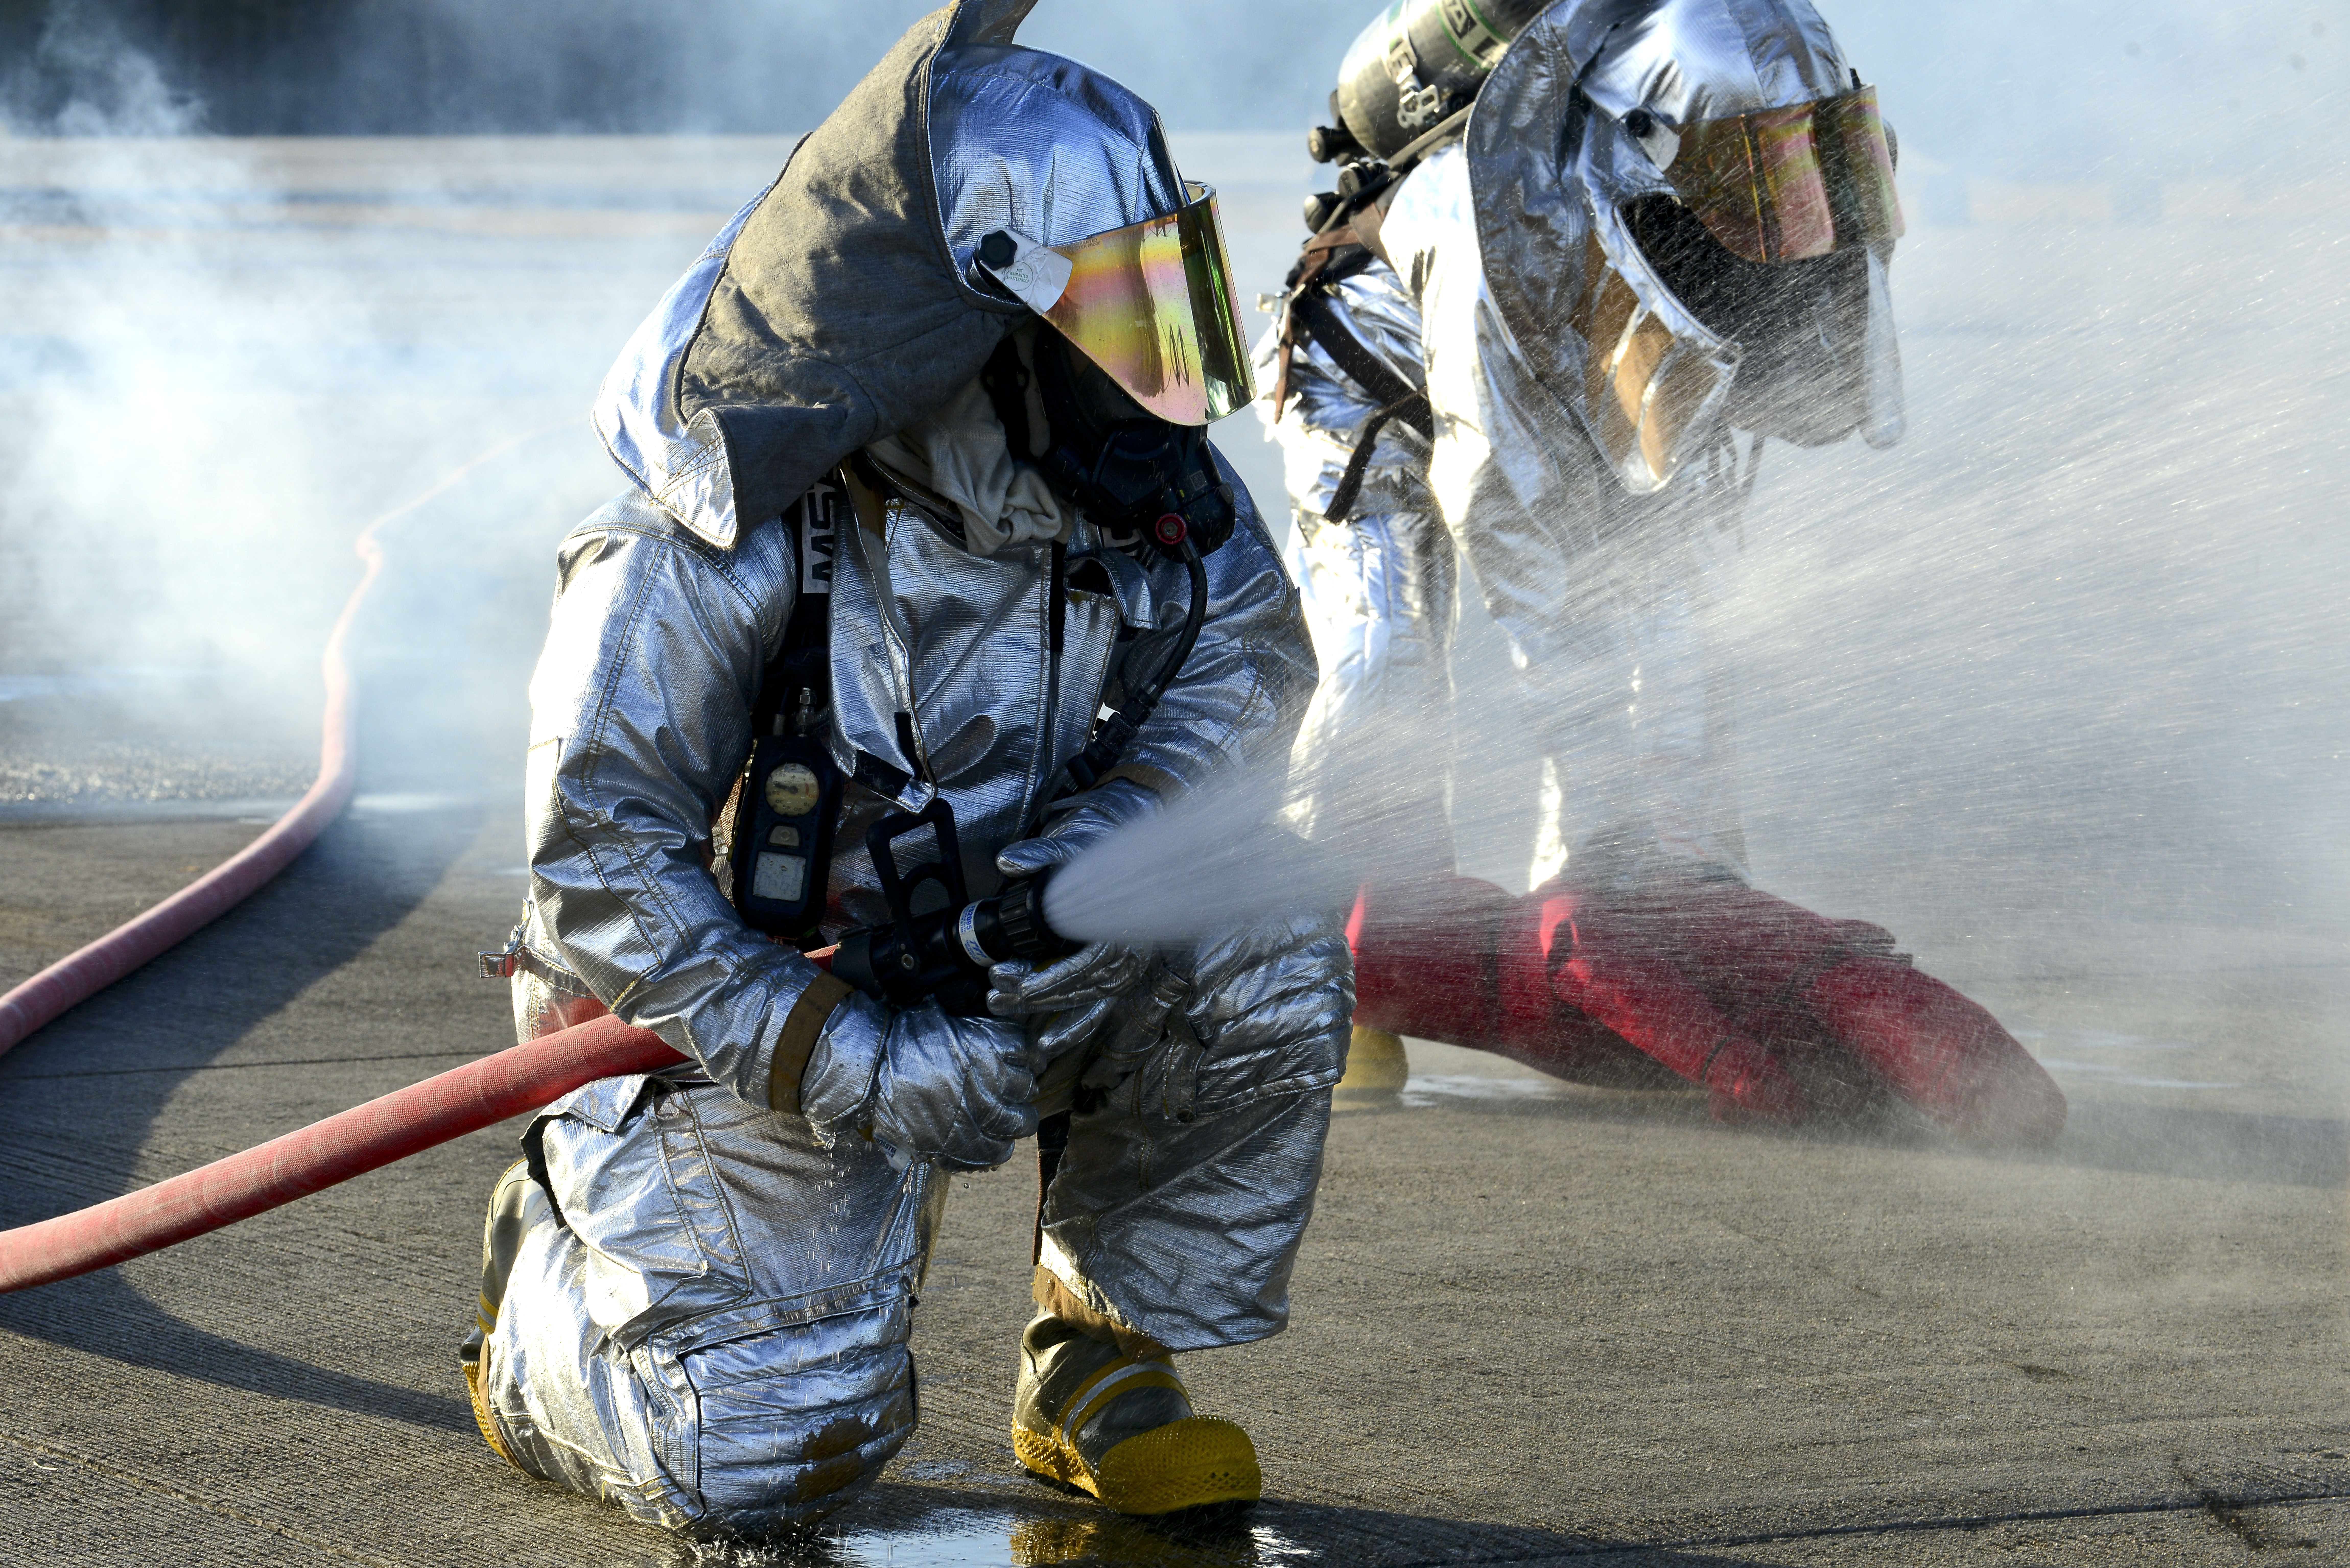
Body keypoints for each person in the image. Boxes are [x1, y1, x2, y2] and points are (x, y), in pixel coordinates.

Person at [461, 0, 1350, 1537]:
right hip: (742, 1012)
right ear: (967, 332)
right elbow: (598, 870)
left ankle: (1095, 1345)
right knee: (765, 1459)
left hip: (997, 957)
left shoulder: (1142, 487)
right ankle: (546, 1293)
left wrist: (1108, 846)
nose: (1166, 368)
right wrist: (852, 1058)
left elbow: (1253, 657)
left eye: (1170, 295)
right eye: (1117, 315)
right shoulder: (717, 529)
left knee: (1263, 934)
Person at [1260, 0, 2064, 1141]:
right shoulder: (1499, 215)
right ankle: (1319, 967)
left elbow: (1656, 582)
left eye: (1815, 165)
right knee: (1382, 647)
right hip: (1371, 384)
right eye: (1764, 176)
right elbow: (1519, 545)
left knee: (1676, 609)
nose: (1798, 217)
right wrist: (1609, 858)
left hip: (1559, 364)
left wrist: (1658, 874)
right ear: (1653, 142)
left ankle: (1635, 888)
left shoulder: (1665, 206)